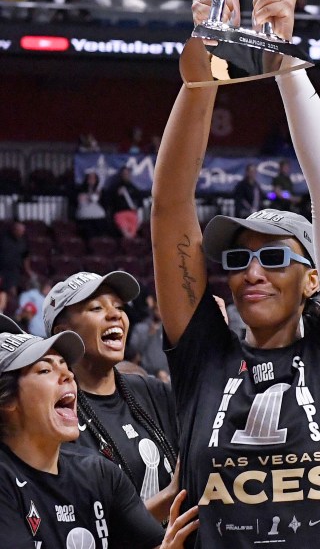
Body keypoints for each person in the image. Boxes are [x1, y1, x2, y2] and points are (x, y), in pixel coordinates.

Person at [151, 0, 320, 548]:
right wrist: (201, 75)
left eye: (274, 257)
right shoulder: (203, 357)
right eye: (238, 260)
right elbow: (171, 205)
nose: (251, 272)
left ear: (312, 279)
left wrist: (284, 65)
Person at [0, 317, 197, 548]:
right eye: (45, 370)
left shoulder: (101, 473)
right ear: (8, 399)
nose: (68, 376)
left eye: (66, 366)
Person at [44, 271, 180, 522]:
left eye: (119, 306)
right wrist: (173, 494)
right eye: (96, 308)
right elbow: (83, 527)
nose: (115, 314)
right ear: (63, 334)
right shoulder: (54, 416)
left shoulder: (150, 390)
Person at [103, 166, 142, 239]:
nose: (126, 175)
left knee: (132, 236)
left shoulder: (134, 188)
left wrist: (139, 217)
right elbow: (109, 201)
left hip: (133, 214)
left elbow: (139, 202)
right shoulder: (115, 187)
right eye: (124, 173)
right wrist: (116, 194)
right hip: (120, 213)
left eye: (127, 173)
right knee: (126, 235)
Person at [74, 170, 109, 240]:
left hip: (99, 218)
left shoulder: (102, 191)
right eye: (89, 178)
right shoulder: (80, 189)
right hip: (85, 218)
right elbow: (80, 200)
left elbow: (105, 204)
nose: (91, 180)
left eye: (93, 178)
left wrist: (99, 195)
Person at [0, 220, 30, 294]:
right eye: (20, 230)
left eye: (23, 231)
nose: (22, 232)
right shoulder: (3, 238)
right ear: (15, 229)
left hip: (15, 271)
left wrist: (27, 270)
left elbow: (26, 256)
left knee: (12, 291)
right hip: (2, 269)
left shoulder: (23, 241)